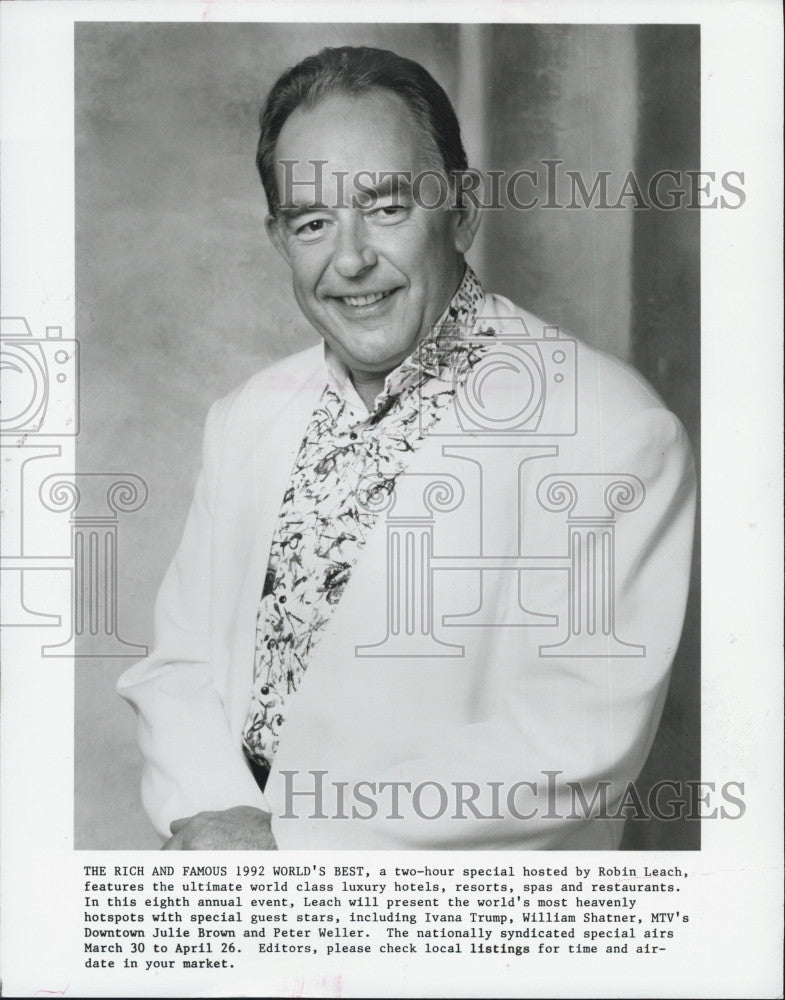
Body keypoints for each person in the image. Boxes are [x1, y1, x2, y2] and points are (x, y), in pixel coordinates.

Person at [117, 45, 696, 850]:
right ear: (279, 238)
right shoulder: (245, 418)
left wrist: (289, 845)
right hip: (240, 913)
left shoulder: (608, 428)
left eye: (386, 208)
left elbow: (570, 739)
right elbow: (177, 668)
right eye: (313, 222)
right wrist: (221, 837)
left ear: (460, 208)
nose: (350, 260)